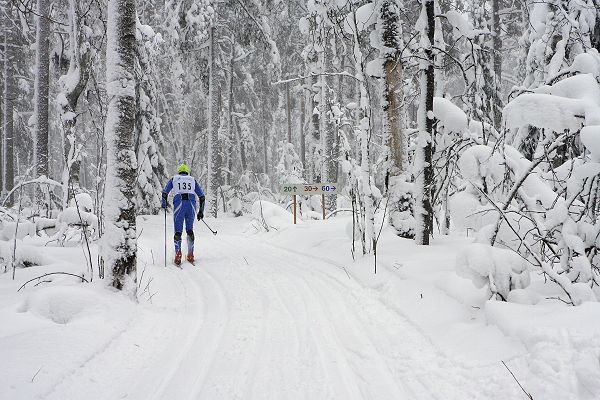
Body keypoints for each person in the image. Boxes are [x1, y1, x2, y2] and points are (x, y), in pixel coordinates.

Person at [162, 163, 205, 265]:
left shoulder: (174, 179)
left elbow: (165, 192)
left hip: (179, 204)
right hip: (191, 204)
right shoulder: (192, 180)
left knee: (178, 231)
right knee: (189, 230)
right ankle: (190, 254)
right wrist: (201, 211)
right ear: (187, 172)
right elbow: (202, 197)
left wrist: (164, 204)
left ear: (179, 172)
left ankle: (178, 255)